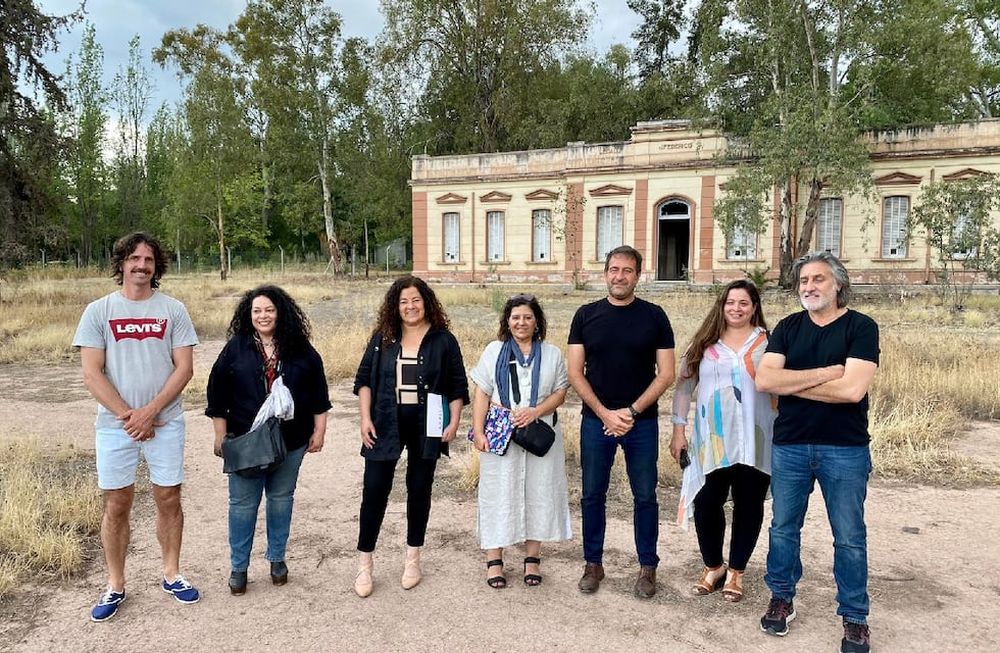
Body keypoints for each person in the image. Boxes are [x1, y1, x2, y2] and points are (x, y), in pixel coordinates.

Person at [755, 252, 879, 653]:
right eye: (803, 281)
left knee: (849, 537)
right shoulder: (789, 327)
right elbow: (764, 380)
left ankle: (855, 617)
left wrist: (790, 383)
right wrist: (829, 372)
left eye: (818, 279)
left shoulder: (861, 327)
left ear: (838, 284)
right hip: (790, 445)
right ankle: (781, 597)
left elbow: (852, 391)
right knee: (783, 528)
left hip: (844, 449)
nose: (809, 287)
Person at [73, 232, 200, 622]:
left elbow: (185, 368)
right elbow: (92, 374)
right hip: (115, 427)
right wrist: (130, 416)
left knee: (168, 498)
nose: (141, 265)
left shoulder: (173, 310)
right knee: (116, 503)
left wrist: (151, 411)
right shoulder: (99, 311)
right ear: (121, 264)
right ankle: (115, 584)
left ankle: (172, 573)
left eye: (148, 259)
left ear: (156, 266)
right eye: (133, 258)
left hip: (166, 421)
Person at [205, 285, 331, 595]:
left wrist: (320, 431)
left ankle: (277, 560)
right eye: (257, 311)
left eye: (269, 310)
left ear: (281, 312)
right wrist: (220, 434)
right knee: (242, 505)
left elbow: (319, 393)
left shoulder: (301, 349)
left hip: (291, 441)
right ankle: (239, 567)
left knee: (280, 500)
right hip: (246, 442)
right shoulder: (235, 349)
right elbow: (217, 393)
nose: (263, 316)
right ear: (249, 316)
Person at [567, 245, 676, 598]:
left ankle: (647, 567)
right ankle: (593, 564)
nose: (619, 276)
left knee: (645, 496)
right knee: (592, 495)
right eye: (614, 269)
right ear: (605, 273)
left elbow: (667, 373)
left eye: (627, 270)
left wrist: (630, 412)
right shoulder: (585, 315)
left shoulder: (655, 316)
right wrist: (604, 413)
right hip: (595, 422)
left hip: (640, 424)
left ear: (638, 275)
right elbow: (574, 372)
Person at [352, 275, 469, 597]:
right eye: (403, 301)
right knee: (374, 491)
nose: (410, 306)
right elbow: (363, 380)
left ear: (426, 301)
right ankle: (365, 565)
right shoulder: (383, 337)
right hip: (384, 421)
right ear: (395, 305)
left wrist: (454, 421)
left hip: (426, 426)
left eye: (415, 300)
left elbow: (457, 385)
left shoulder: (443, 340)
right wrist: (364, 419)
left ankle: (413, 558)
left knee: (419, 490)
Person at [669, 280, 776, 603]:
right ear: (722, 305)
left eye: (744, 303)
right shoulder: (705, 342)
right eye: (731, 302)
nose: (736, 308)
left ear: (754, 307)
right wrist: (678, 429)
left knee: (749, 505)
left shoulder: (768, 344)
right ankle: (714, 566)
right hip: (711, 440)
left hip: (756, 440)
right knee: (707, 502)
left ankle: (737, 572)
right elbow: (684, 387)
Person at [470, 294, 571, 588]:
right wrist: (478, 432)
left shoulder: (552, 354)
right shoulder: (494, 351)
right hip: (501, 435)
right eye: (515, 317)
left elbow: (561, 392)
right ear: (507, 321)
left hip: (539, 434)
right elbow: (482, 393)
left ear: (536, 321)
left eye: (527, 317)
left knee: (539, 493)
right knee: (497, 494)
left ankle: (532, 559)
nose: (521, 322)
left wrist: (535, 412)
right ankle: (494, 561)